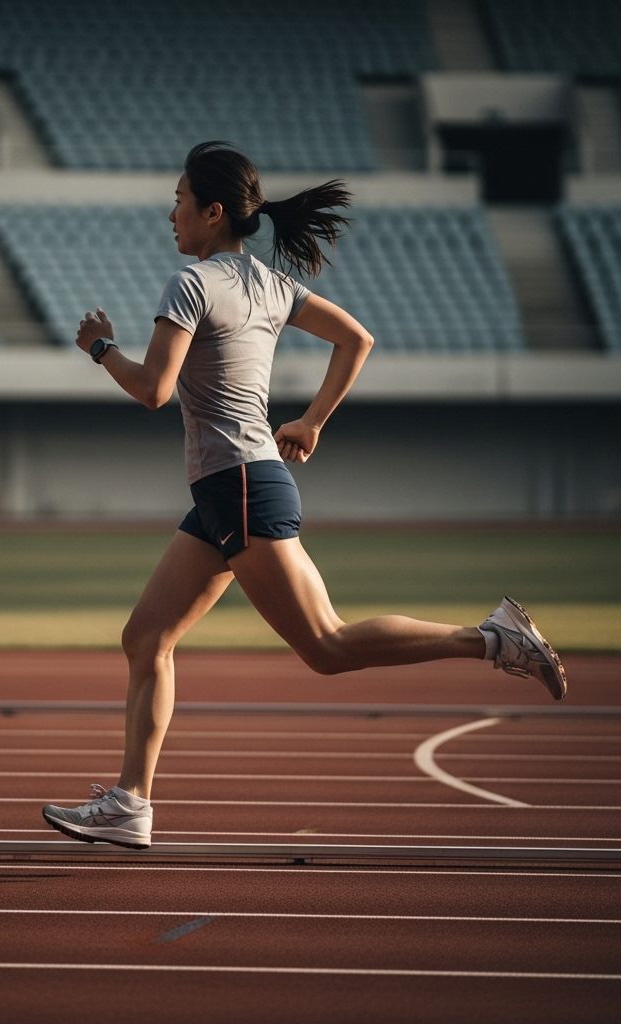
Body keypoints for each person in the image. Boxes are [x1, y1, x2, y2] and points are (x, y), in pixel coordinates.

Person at [42, 141, 567, 850]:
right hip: (228, 490)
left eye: (178, 199)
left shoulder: (189, 284)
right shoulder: (267, 282)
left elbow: (154, 390)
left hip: (241, 486)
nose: (171, 214)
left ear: (213, 211)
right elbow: (356, 340)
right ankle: (131, 803)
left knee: (327, 644)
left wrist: (102, 349)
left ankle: (494, 639)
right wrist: (311, 421)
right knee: (146, 637)